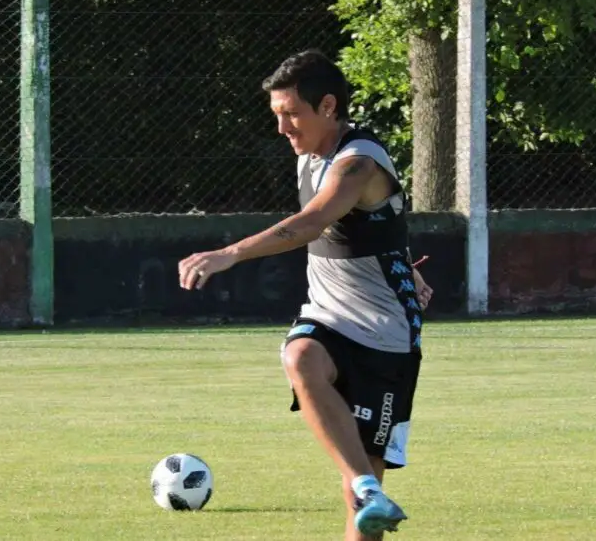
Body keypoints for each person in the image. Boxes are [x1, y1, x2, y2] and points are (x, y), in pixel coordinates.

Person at [178, 49, 432, 540]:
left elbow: (313, 222)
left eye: (291, 114)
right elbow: (376, 226)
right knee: (300, 357)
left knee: (360, 505)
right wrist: (402, 259)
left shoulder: (358, 162)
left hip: (386, 333)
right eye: (277, 116)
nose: (283, 128)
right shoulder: (313, 155)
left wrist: (229, 253)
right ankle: (364, 481)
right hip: (328, 316)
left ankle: (365, 487)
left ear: (329, 107)